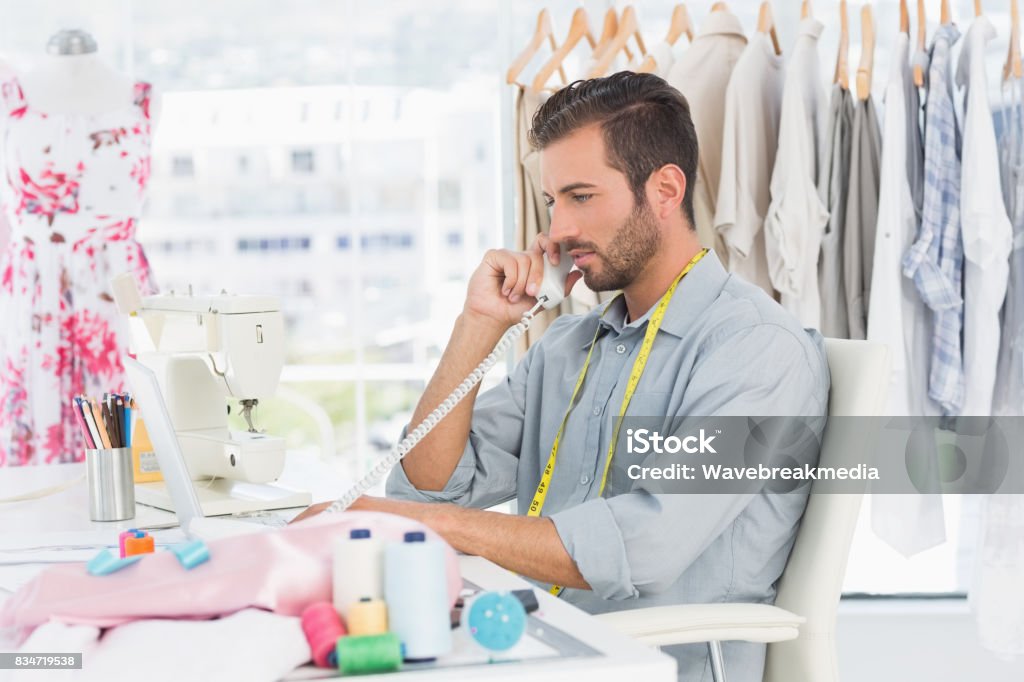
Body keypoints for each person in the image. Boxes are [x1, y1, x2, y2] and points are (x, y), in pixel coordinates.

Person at [297, 72, 829, 680]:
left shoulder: (755, 350)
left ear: (664, 189)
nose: (558, 231)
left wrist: (425, 525)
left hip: (653, 665)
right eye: (554, 202)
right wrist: (479, 326)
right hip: (540, 648)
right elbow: (428, 486)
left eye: (581, 196)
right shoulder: (572, 345)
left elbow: (644, 544)